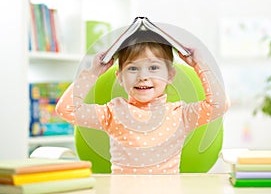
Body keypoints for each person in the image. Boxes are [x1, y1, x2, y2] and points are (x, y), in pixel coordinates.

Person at [56, 30, 230, 174]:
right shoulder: (113, 111)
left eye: (153, 67)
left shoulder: (180, 114)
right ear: (120, 78)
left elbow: (219, 105)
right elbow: (66, 109)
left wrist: (198, 64)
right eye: (132, 68)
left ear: (170, 75)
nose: (143, 77)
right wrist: (93, 72)